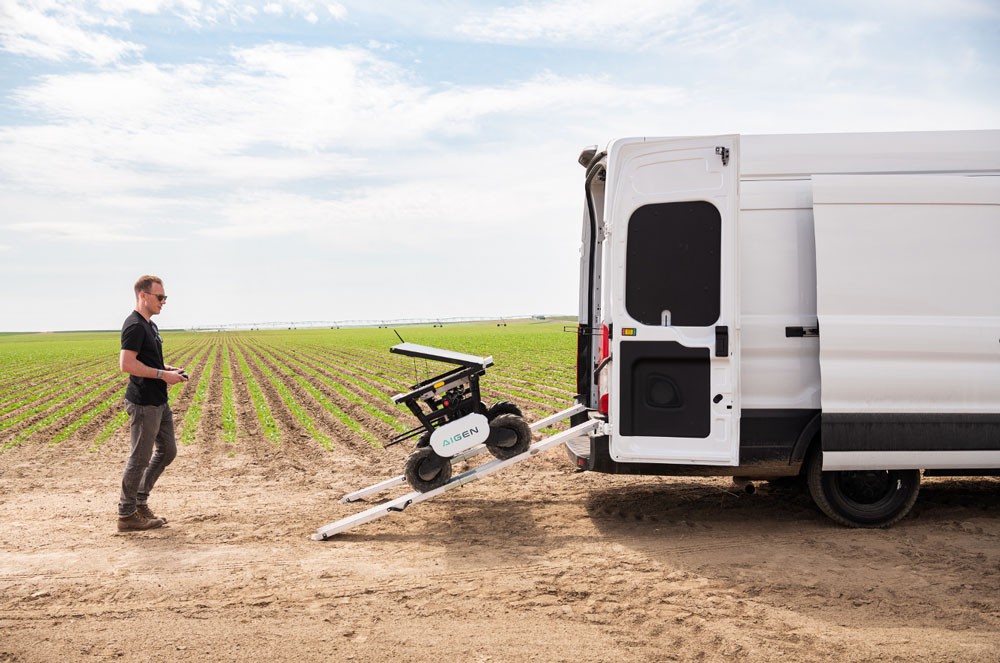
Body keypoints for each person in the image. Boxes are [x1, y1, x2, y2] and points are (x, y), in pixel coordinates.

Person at [117, 275, 187, 531]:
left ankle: (139, 501)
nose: (164, 302)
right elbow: (127, 364)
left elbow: (148, 361)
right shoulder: (134, 325)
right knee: (140, 457)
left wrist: (168, 370)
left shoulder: (150, 326)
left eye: (165, 297)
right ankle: (127, 514)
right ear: (143, 296)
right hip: (144, 402)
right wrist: (162, 375)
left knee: (167, 450)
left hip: (158, 400)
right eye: (160, 297)